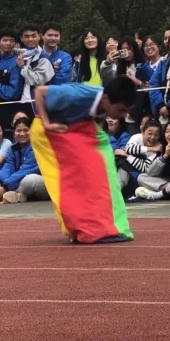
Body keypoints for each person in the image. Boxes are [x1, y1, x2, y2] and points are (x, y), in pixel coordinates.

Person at [30, 77, 138, 244]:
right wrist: (46, 123)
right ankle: (82, 226)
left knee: (103, 167)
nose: (122, 116)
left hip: (77, 128)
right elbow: (40, 92)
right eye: (121, 110)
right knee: (72, 181)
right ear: (106, 99)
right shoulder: (76, 95)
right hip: (51, 130)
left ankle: (110, 226)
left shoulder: (104, 100)